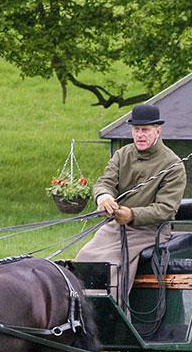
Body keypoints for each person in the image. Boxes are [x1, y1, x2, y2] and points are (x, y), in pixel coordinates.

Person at [75, 103, 186, 304]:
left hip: (150, 231)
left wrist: (132, 215)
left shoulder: (173, 165)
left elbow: (166, 209)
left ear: (158, 131)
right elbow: (105, 182)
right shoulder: (122, 154)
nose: (140, 135)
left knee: (112, 265)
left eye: (145, 130)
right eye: (136, 130)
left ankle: (112, 315)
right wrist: (104, 197)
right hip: (116, 227)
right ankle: (79, 310)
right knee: (84, 257)